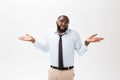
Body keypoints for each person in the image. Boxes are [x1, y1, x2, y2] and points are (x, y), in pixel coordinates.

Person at [18, 15, 104, 80]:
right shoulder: (49, 33)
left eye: (66, 22)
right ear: (56, 22)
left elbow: (81, 53)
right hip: (53, 72)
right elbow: (45, 49)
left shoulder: (74, 34)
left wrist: (86, 42)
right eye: (61, 21)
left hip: (68, 72)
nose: (64, 24)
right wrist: (34, 41)